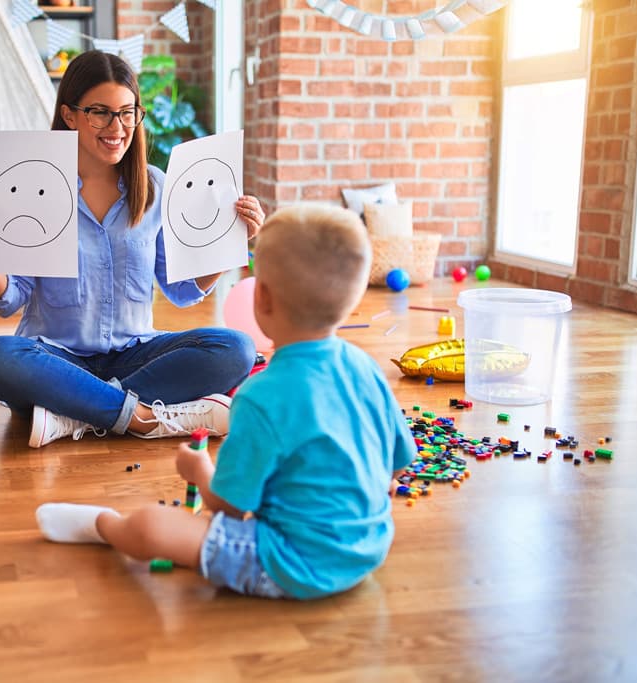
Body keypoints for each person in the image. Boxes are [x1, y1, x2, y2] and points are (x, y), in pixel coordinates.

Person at [35, 204, 417, 600]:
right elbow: (399, 462)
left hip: (292, 562)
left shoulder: (260, 397)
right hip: (370, 547)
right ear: (351, 299)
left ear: (261, 297)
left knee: (152, 526)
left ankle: (107, 525)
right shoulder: (366, 367)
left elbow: (229, 509)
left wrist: (200, 471)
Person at [0, 51, 264, 448]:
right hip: (55, 359)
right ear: (69, 115)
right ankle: (141, 416)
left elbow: (182, 290)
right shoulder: (36, 185)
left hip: (134, 354)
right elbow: (8, 300)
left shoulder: (154, 187)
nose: (117, 127)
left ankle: (74, 414)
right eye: (100, 112)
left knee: (235, 348)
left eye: (128, 112)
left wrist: (229, 239)